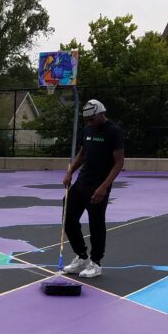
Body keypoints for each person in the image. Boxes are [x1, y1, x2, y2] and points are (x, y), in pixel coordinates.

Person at [61, 99, 124, 278]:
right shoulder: (88, 129)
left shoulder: (114, 131)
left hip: (99, 186)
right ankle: (81, 257)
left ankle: (96, 263)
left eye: (92, 119)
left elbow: (119, 163)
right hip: (81, 183)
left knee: (96, 224)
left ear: (101, 113)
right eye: (86, 120)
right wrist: (70, 172)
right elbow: (82, 154)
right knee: (68, 218)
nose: (89, 123)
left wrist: (104, 187)